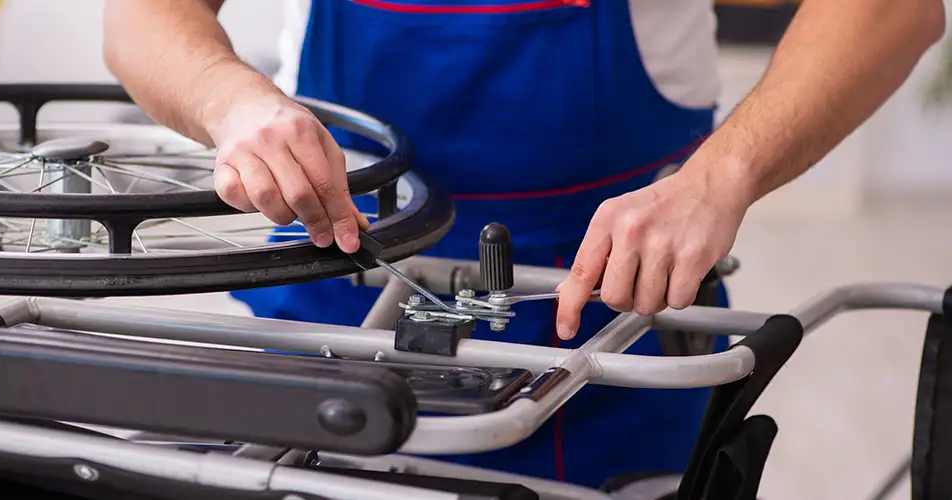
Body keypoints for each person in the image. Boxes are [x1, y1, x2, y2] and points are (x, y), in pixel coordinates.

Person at [102, 0, 944, 489]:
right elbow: (138, 16)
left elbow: (893, 10)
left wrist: (720, 176)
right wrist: (230, 102)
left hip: (604, 330)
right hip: (324, 316)